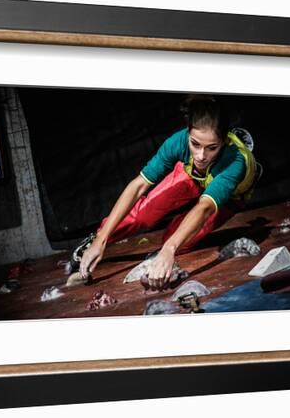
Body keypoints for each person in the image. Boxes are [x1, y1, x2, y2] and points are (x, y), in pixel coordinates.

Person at [71, 95, 259, 290]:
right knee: (144, 213)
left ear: (224, 141)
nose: (201, 155)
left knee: (177, 240)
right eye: (195, 144)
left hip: (226, 196)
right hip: (192, 176)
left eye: (212, 148)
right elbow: (138, 185)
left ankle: (247, 154)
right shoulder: (177, 142)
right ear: (187, 133)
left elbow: (205, 207)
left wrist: (169, 249)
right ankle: (95, 240)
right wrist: (101, 240)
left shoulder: (234, 162)